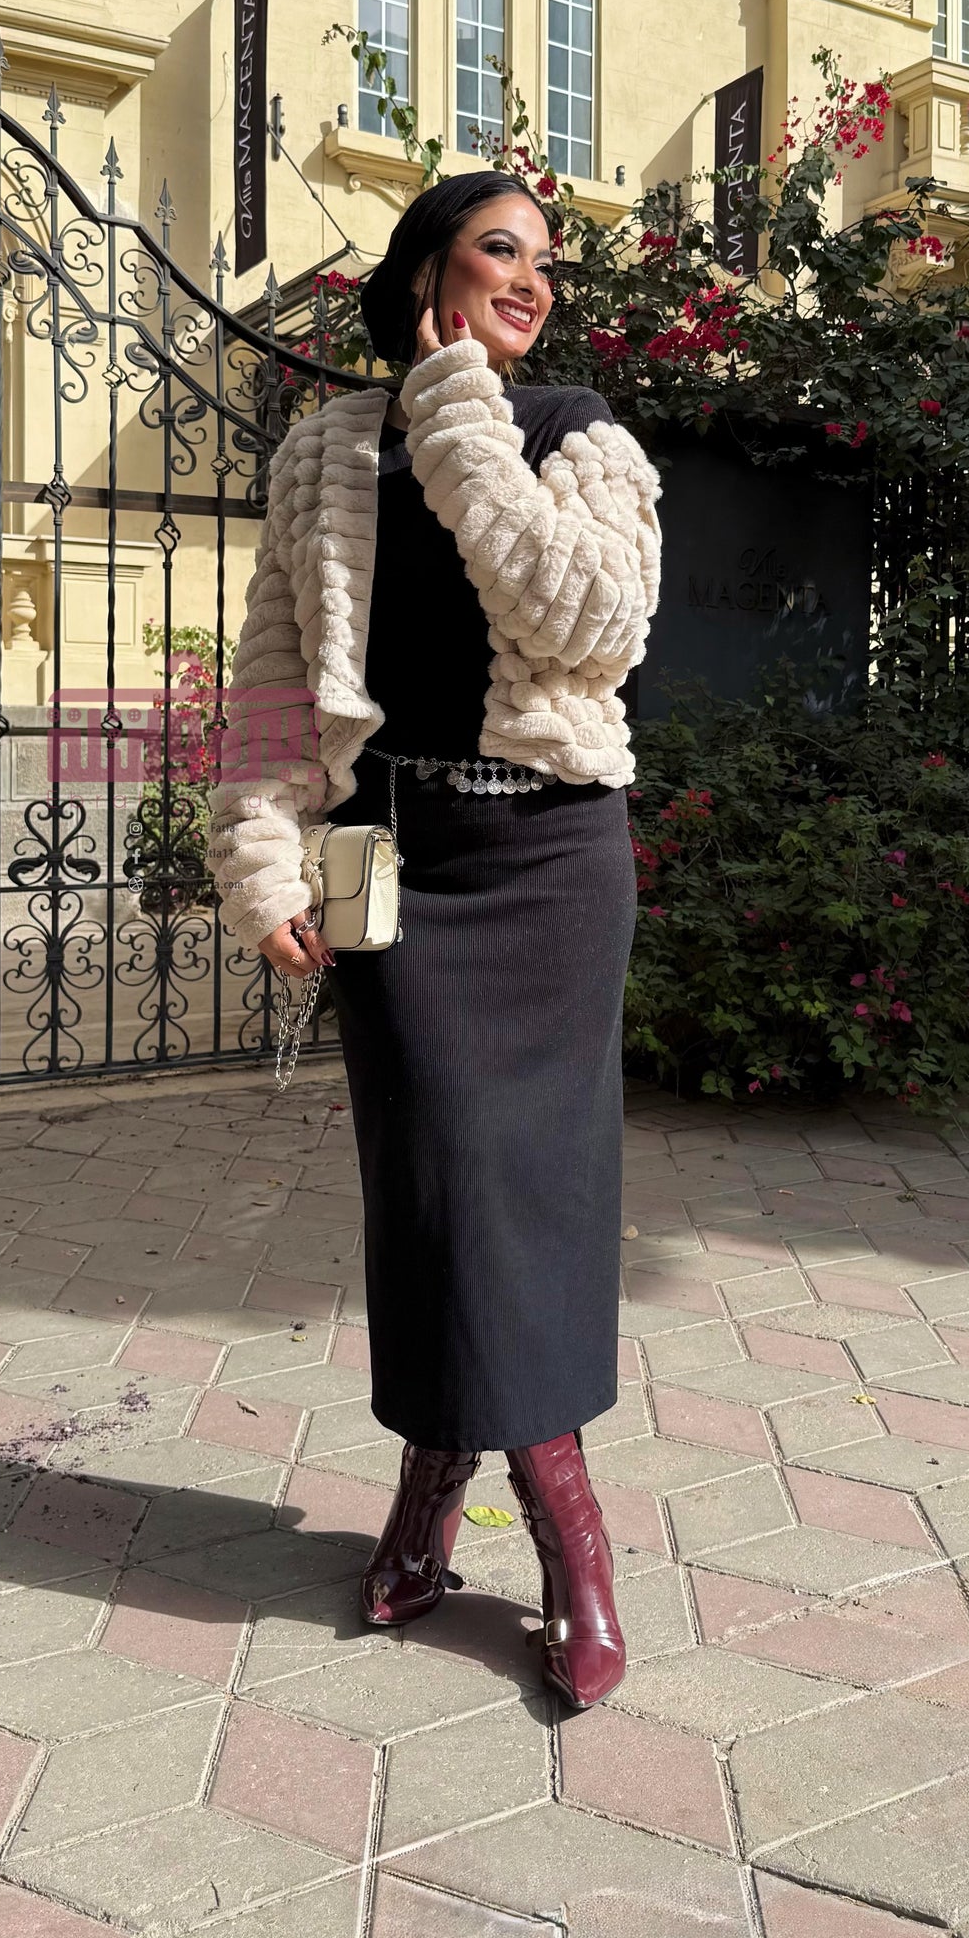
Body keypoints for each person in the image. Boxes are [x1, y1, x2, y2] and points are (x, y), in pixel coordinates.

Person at [206, 172, 661, 1710]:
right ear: (425, 271)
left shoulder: (575, 434)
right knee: (425, 1189)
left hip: (546, 858)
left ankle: (562, 1538)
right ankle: (441, 1488)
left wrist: (462, 415)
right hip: (377, 853)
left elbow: (591, 626)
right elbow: (276, 674)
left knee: (528, 1198)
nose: (532, 279)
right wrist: (261, 857)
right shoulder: (326, 451)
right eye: (499, 249)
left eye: (546, 262)